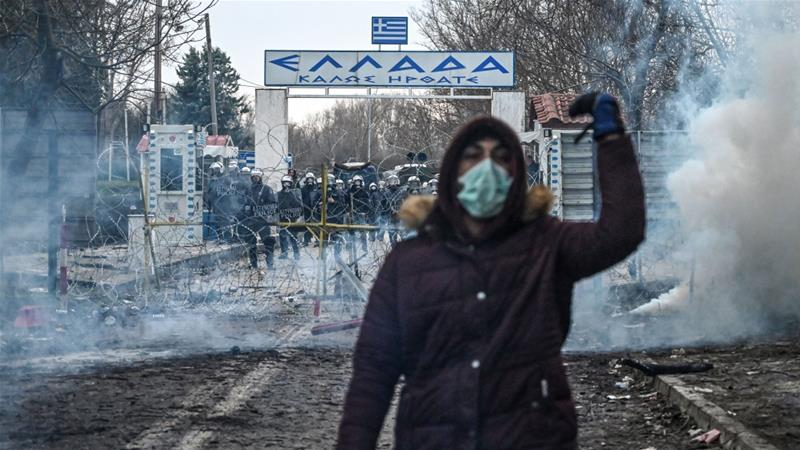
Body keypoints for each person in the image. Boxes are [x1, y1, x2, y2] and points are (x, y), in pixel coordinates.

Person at [337, 93, 645, 449]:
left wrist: (611, 139)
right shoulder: (408, 262)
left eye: (501, 157)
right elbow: (373, 371)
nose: (488, 167)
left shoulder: (545, 243)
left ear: (516, 174)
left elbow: (621, 232)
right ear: (453, 172)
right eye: (473, 156)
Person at [239, 168, 277, 269]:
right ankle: (253, 265)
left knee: (268, 242)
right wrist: (245, 209)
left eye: (257, 177)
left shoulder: (266, 189)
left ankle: (270, 264)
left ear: (260, 178)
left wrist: (263, 211)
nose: (255, 179)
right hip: (250, 220)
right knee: (251, 244)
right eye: (253, 177)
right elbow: (243, 203)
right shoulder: (248, 189)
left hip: (262, 221)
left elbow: (272, 204)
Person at [277, 174, 302, 260]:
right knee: (282, 236)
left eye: (288, 183)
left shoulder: (293, 194)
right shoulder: (279, 194)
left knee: (293, 237)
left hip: (292, 219)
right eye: (285, 183)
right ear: (282, 184)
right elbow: (275, 205)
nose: (286, 185)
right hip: (282, 218)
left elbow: (298, 205)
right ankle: (284, 253)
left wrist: (296, 216)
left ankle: (296, 254)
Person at [349, 175, 370, 253]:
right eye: (356, 182)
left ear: (361, 183)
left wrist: (366, 212)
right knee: (352, 231)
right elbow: (346, 201)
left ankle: (364, 247)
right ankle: (351, 246)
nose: (357, 184)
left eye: (359, 182)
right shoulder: (350, 192)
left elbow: (367, 203)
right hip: (353, 213)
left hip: (362, 214)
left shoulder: (364, 192)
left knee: (363, 231)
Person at [300, 172, 319, 246]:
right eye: (308, 179)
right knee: (307, 225)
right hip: (306, 209)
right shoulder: (303, 189)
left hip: (315, 209)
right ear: (306, 180)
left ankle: (317, 240)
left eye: (311, 179)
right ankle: (306, 241)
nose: (310, 181)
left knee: (316, 224)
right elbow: (301, 198)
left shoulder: (316, 188)